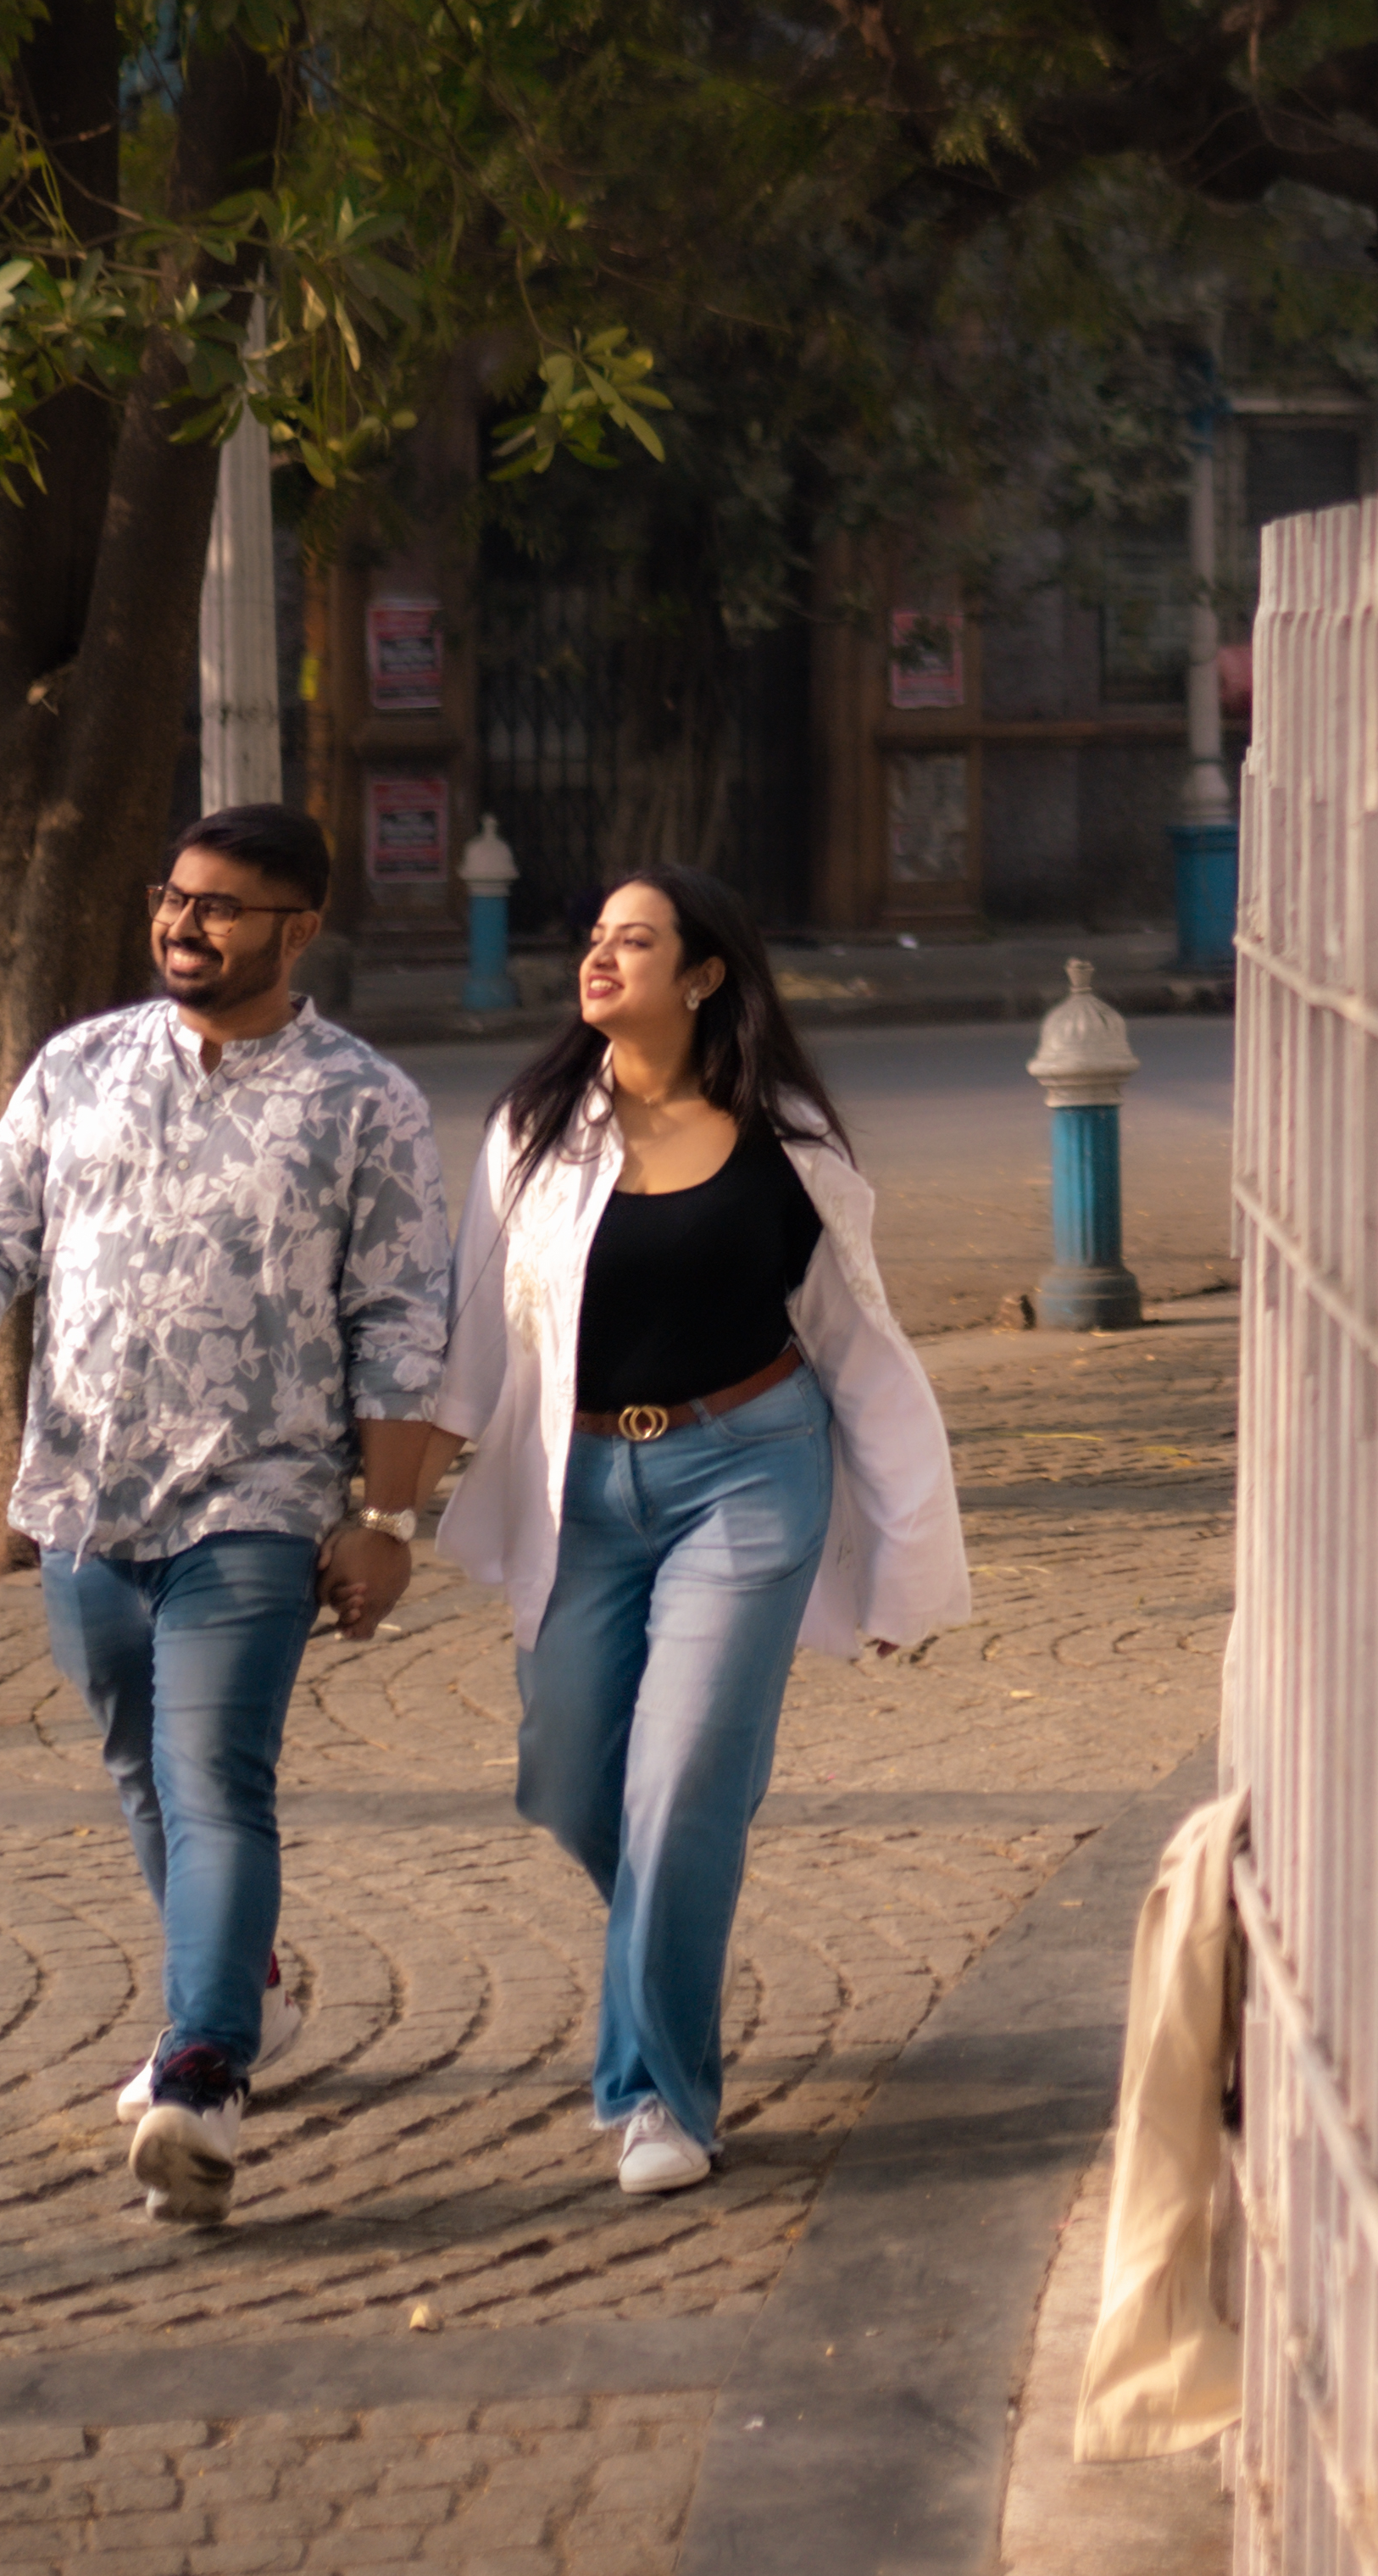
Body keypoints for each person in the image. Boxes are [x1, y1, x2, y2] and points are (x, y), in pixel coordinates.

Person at [0, 803, 453, 2230]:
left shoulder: (362, 1103)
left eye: (220, 906)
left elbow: (401, 1325)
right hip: (79, 1504)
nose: (183, 925)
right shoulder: (79, 1068)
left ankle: (204, 2070)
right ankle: (228, 1965)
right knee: (144, 1771)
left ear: (297, 929)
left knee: (213, 1781)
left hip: (253, 1506)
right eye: (172, 899)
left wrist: (387, 1518)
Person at [401, 865, 968, 2195]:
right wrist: (384, 1508)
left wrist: (898, 1566)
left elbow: (858, 1350)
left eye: (634, 940)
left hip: (751, 1474)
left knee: (680, 1786)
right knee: (565, 1778)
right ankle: (678, 1924)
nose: (599, 958)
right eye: (594, 936)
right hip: (581, 1488)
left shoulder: (791, 1142)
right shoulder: (535, 1128)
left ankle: (660, 2096)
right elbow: (478, 1340)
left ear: (704, 973)